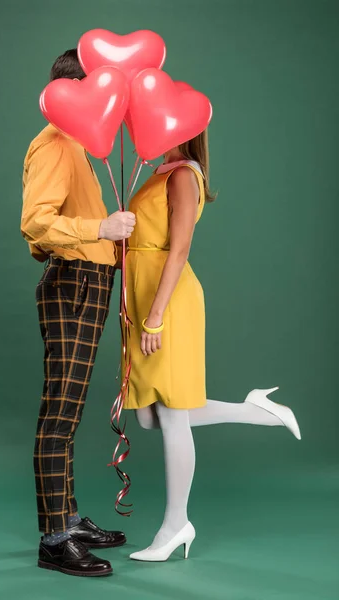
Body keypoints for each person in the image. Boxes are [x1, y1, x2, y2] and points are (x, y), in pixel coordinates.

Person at [123, 129, 301, 562]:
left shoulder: (184, 174)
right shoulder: (158, 170)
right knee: (151, 416)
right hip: (143, 292)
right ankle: (258, 411)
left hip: (167, 301)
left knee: (170, 413)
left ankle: (175, 525)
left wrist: (157, 315)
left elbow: (180, 248)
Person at [21, 49, 136, 577]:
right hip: (74, 284)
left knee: (68, 414)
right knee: (58, 416)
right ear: (73, 91)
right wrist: (101, 231)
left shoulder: (77, 144)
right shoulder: (53, 144)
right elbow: (35, 224)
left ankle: (67, 518)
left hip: (90, 281)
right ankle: (53, 539)